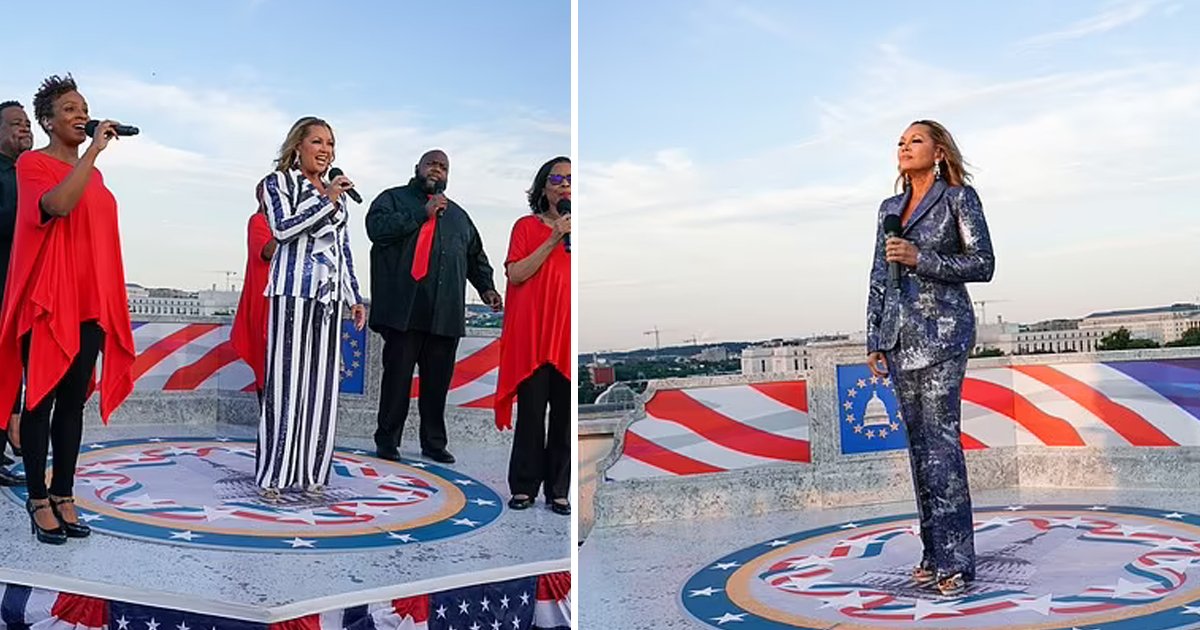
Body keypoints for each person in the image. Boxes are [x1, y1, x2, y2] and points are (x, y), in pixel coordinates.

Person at [0, 75, 138, 544]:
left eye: (85, 108)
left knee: (73, 405)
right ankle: (37, 499)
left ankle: (64, 492)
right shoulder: (32, 164)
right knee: (39, 400)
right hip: (47, 301)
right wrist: (94, 152)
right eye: (70, 109)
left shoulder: (95, 176)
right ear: (47, 121)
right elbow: (57, 206)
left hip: (87, 303)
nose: (81, 115)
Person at [865, 119, 994, 596]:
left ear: (939, 150)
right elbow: (879, 273)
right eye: (900, 141)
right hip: (900, 339)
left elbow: (983, 263)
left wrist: (923, 258)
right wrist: (875, 338)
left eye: (914, 140)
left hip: (943, 335)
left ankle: (956, 560)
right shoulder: (889, 209)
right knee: (919, 451)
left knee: (942, 447)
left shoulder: (960, 198)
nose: (904, 146)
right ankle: (932, 552)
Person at [254, 116, 366, 501]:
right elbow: (283, 229)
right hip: (292, 293)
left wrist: (354, 296)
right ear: (297, 146)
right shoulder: (277, 184)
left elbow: (342, 246)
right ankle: (273, 476)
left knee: (321, 390)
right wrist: (328, 199)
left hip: (329, 299)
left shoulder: (332, 192)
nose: (325, 150)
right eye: (317, 141)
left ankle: (312, 474)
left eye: (331, 144)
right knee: (286, 384)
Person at [366, 150, 502, 465]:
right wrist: (421, 214)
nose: (436, 170)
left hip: (444, 314)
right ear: (417, 168)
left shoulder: (458, 216)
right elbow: (376, 229)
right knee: (397, 381)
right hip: (404, 311)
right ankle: (387, 440)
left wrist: (487, 287)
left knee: (437, 385)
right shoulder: (393, 200)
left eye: (443, 167)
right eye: (432, 164)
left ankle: (434, 443)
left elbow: (474, 257)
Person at [494, 157, 571, 515]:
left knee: (564, 417)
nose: (564, 184)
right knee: (531, 413)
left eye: (571, 179)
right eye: (557, 178)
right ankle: (524, 486)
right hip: (533, 336)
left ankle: (559, 489)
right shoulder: (525, 226)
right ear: (543, 187)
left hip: (567, 336)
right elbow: (517, 274)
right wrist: (554, 237)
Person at [0, 100, 32, 486]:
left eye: (27, 123)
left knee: (13, 370)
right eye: (14, 123)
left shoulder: (28, 170)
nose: (24, 128)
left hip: (20, 289)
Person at [230, 202, 276, 400]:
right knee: (266, 368)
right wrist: (292, 229)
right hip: (265, 303)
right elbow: (266, 252)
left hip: (287, 301)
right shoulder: (259, 221)